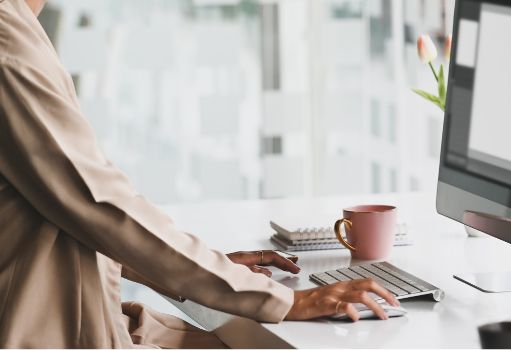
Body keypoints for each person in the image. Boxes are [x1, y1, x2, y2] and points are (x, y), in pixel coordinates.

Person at [0, 0, 399, 347]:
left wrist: (212, 269)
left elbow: (66, 210)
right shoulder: (8, 44)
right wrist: (276, 299)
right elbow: (99, 204)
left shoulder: (20, 26)